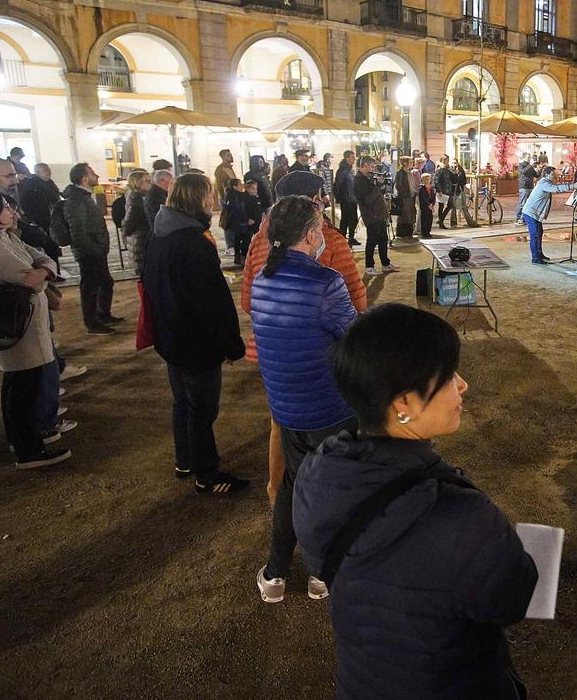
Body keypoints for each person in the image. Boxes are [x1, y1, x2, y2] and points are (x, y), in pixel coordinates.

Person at [292, 303, 538, 700]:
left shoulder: (319, 472)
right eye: (447, 378)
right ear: (402, 403)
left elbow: (325, 562)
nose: (462, 386)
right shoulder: (462, 516)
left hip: (361, 683)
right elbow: (510, 601)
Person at [251, 196, 359, 604]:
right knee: (330, 491)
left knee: (292, 487)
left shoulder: (263, 277)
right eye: (320, 227)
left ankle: (276, 573)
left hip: (286, 406)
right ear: (311, 234)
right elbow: (355, 336)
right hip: (329, 408)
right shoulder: (325, 282)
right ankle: (320, 574)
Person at [143, 173, 249, 494]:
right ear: (197, 199)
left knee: (182, 403)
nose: (214, 200)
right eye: (209, 195)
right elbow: (212, 303)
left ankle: (185, 459)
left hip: (171, 336)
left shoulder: (161, 234)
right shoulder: (192, 242)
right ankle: (207, 473)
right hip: (195, 342)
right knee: (203, 409)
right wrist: (231, 345)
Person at [0, 192, 70, 468]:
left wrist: (44, 270)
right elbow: (33, 281)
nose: (12, 212)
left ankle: (23, 439)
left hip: (21, 324)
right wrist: (44, 274)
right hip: (15, 327)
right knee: (24, 389)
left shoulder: (3, 238)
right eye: (5, 207)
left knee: (18, 384)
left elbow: (40, 259)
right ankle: (28, 449)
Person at [62, 163, 120, 334]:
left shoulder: (84, 196)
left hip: (96, 249)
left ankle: (103, 314)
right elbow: (78, 230)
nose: (97, 176)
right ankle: (92, 322)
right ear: (84, 178)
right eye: (93, 173)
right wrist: (95, 249)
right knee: (90, 286)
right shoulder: (76, 200)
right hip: (89, 251)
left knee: (105, 281)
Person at [521, 165, 577, 264]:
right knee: (535, 235)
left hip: (534, 213)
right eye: (553, 174)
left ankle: (539, 254)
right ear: (546, 174)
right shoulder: (543, 183)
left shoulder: (546, 182)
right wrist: (574, 186)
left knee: (539, 233)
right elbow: (556, 189)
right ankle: (535, 258)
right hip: (530, 213)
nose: (555, 176)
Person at [354, 155, 398, 276]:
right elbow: (368, 199)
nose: (373, 169)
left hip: (378, 213)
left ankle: (385, 263)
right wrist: (377, 186)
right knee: (372, 241)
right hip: (371, 214)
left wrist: (380, 186)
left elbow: (376, 194)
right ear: (365, 165)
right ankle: (369, 266)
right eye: (372, 166)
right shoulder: (359, 181)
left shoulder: (367, 178)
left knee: (383, 239)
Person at [223, 178, 262, 267]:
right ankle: (244, 258)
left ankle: (240, 257)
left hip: (243, 222)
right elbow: (239, 210)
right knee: (244, 240)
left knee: (240, 239)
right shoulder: (238, 197)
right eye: (240, 185)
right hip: (243, 223)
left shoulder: (238, 196)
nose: (242, 186)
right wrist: (247, 219)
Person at [121, 169, 152, 276]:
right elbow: (129, 221)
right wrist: (125, 233)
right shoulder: (136, 199)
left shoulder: (141, 197)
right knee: (144, 274)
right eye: (146, 181)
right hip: (139, 240)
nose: (150, 183)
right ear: (137, 183)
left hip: (140, 239)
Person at [17, 162, 61, 232]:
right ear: (37, 172)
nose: (49, 172)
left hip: (54, 217)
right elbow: (25, 203)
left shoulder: (49, 182)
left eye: (49, 169)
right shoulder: (31, 185)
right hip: (41, 219)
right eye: (45, 170)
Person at [394, 157, 416, 240]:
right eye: (410, 162)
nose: (411, 164)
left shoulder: (409, 172)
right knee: (404, 215)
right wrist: (404, 194)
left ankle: (408, 232)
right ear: (405, 163)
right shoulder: (401, 172)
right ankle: (402, 233)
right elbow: (398, 185)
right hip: (404, 197)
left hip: (410, 196)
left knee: (409, 215)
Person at [452, 160, 479, 227]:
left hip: (459, 191)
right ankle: (454, 223)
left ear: (458, 163)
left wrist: (456, 179)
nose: (454, 164)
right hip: (454, 191)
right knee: (454, 207)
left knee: (462, 207)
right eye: (452, 163)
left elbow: (462, 181)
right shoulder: (451, 170)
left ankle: (471, 222)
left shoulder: (460, 171)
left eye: (455, 163)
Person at [515, 157, 539, 225]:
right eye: (528, 157)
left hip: (530, 186)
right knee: (522, 203)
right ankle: (518, 218)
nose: (529, 158)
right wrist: (530, 165)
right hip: (524, 186)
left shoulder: (530, 166)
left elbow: (536, 175)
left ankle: (524, 219)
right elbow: (523, 171)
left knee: (528, 204)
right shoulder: (521, 164)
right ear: (524, 158)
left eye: (529, 157)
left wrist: (541, 168)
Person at [436, 155, 456, 229]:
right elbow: (436, 180)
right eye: (447, 160)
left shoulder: (447, 169)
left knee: (450, 205)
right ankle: (441, 223)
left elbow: (452, 178)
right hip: (442, 190)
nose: (448, 161)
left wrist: (454, 172)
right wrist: (438, 190)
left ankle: (441, 220)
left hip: (448, 190)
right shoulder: (440, 169)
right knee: (441, 207)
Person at [417, 172, 436, 238]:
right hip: (425, 206)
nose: (427, 181)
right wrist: (428, 204)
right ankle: (424, 232)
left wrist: (432, 203)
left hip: (430, 206)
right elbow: (424, 197)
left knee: (430, 219)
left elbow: (433, 196)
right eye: (425, 180)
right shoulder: (421, 188)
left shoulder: (431, 188)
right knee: (424, 219)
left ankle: (428, 231)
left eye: (428, 179)